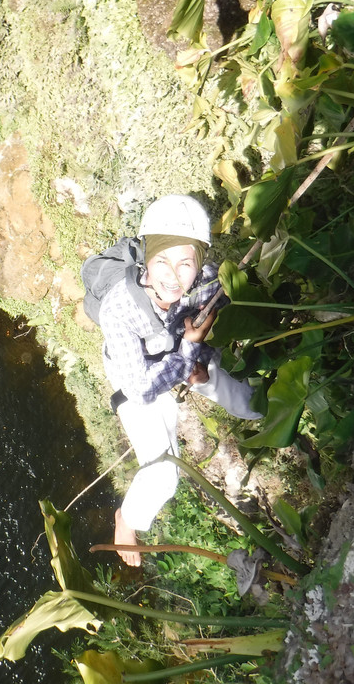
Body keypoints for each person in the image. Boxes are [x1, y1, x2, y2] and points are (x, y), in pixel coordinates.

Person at [98, 194, 260, 566]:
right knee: (164, 476)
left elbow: (230, 308)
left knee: (249, 404)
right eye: (163, 261)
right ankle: (127, 520)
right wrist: (188, 350)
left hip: (189, 351)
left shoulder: (207, 281)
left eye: (186, 262)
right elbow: (140, 389)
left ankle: (267, 410)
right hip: (137, 380)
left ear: (199, 262)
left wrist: (199, 364)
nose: (174, 275)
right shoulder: (119, 309)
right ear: (147, 258)